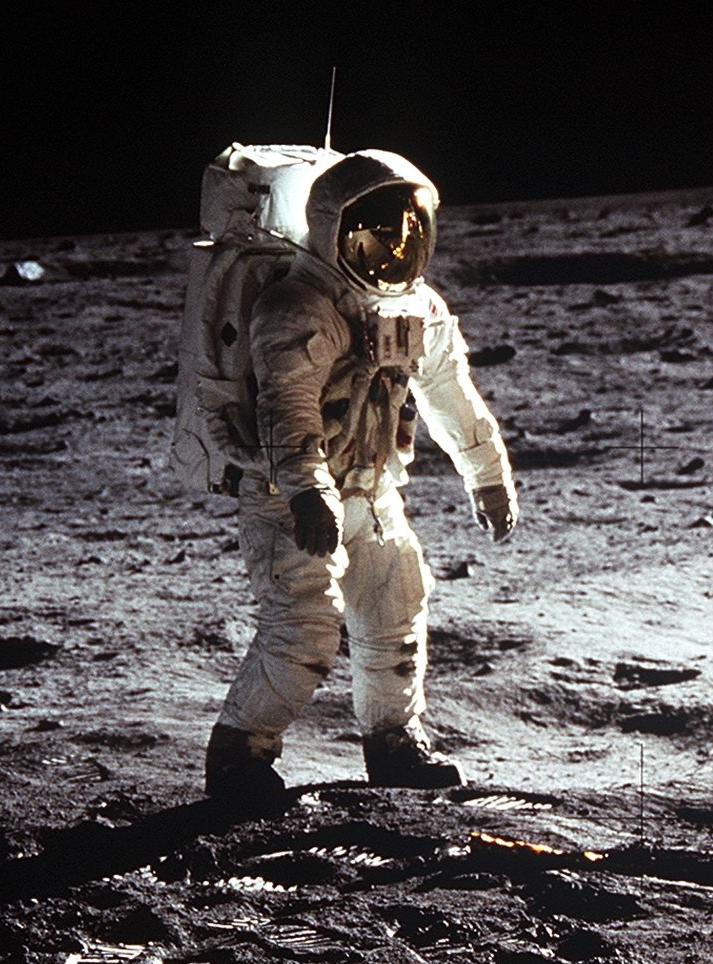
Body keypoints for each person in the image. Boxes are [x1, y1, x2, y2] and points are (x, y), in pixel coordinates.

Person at [203, 148, 517, 800]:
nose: (395, 246)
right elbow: (288, 409)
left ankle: (395, 742)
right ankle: (239, 755)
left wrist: (487, 475)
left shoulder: (418, 310)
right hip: (288, 499)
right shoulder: (297, 308)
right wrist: (309, 490)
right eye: (377, 232)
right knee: (304, 628)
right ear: (333, 230)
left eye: (408, 230)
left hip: (371, 492)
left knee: (396, 603)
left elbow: (450, 394)